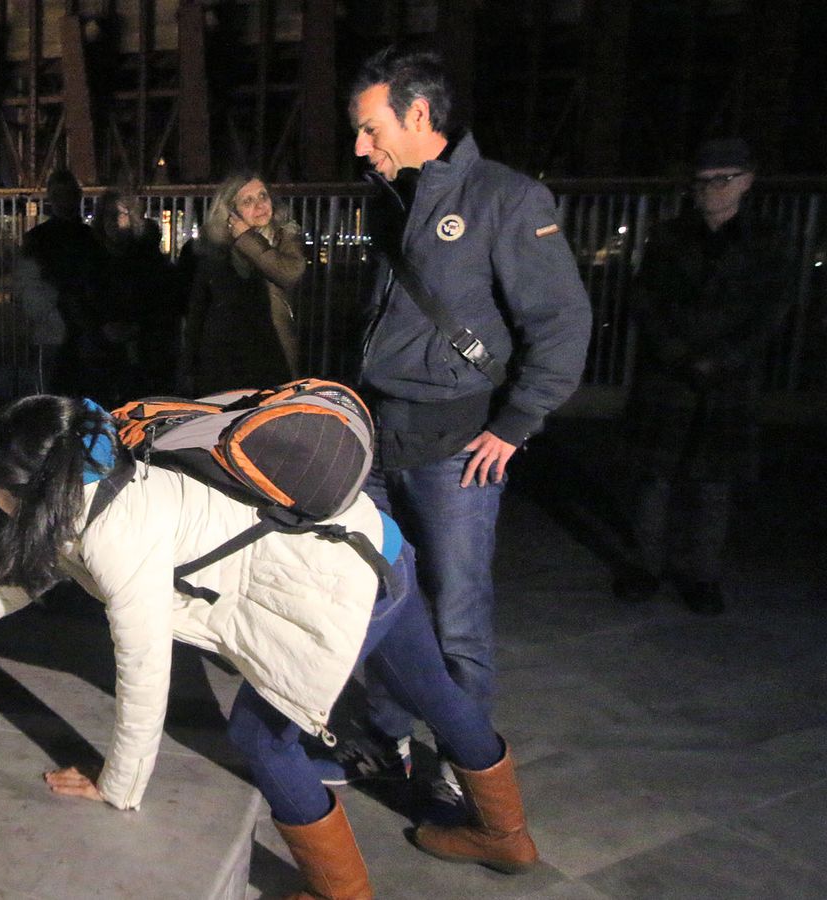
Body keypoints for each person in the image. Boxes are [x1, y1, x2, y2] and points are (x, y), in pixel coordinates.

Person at [0, 396, 541, 898]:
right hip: (378, 545)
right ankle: (506, 838)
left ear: (39, 489)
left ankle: (338, 893)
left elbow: (145, 668)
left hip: (338, 585)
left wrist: (119, 784)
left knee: (259, 738)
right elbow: (24, 578)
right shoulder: (101, 474)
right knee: (431, 687)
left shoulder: (117, 537)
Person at [342, 47, 592, 808]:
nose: (359, 146)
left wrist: (516, 425)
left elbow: (563, 321)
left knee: (456, 610)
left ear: (419, 115)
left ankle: (467, 763)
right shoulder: (388, 196)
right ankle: (383, 735)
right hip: (380, 441)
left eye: (368, 127)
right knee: (381, 601)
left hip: (458, 450)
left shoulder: (506, 198)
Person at [616, 138, 791, 616]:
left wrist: (724, 359)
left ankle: (701, 574)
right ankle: (645, 566)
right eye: (704, 180)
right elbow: (644, 300)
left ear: (748, 181)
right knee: (654, 479)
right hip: (668, 377)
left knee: (713, 485)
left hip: (728, 382)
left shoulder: (768, 240)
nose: (711, 189)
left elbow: (771, 311)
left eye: (724, 179)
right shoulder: (669, 236)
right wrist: (677, 352)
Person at [183, 174, 306, 395]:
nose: (259, 205)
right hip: (223, 364)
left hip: (272, 357)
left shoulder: (284, 237)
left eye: (263, 196)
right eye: (247, 201)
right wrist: (189, 368)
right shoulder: (213, 250)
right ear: (230, 212)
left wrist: (246, 238)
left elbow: (288, 273)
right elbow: (197, 312)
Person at [17, 170, 111, 402]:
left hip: (60, 331)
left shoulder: (38, 239)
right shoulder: (92, 239)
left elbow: (27, 288)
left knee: (51, 401)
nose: (65, 200)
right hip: (74, 330)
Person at [94, 189, 181, 396]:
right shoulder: (92, 257)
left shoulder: (151, 260)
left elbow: (166, 306)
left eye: (122, 214)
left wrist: (137, 328)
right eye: (109, 214)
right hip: (102, 355)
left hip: (146, 355)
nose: (115, 221)